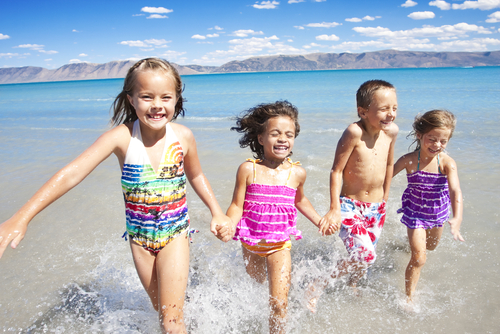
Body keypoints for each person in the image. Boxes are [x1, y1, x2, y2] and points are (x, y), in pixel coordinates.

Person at [0, 58, 232, 334]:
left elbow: (196, 175)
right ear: (131, 99)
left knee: (171, 324)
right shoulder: (121, 138)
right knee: (163, 315)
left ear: (176, 99)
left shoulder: (183, 136)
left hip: (175, 234)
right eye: (146, 96)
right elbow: (72, 173)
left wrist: (217, 212)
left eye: (165, 97)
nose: (157, 104)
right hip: (139, 241)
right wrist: (22, 217)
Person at [226, 101, 335, 334]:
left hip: (279, 245)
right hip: (251, 242)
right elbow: (237, 205)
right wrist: (227, 224)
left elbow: (300, 200)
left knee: (278, 302)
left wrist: (320, 220)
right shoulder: (248, 169)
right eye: (275, 134)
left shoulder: (297, 173)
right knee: (257, 290)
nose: (283, 139)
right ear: (261, 138)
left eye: (289, 134)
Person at [306, 79, 399, 312]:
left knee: (364, 258)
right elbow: (336, 170)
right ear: (363, 111)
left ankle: (352, 285)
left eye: (395, 108)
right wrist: (334, 208)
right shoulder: (354, 132)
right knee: (365, 255)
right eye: (384, 109)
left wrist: (385, 197)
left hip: (376, 207)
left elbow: (389, 165)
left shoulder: (392, 132)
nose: (391, 114)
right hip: (349, 205)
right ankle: (318, 284)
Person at [393, 109, 464, 307]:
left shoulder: (447, 163)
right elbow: (384, 180)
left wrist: (457, 218)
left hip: (438, 214)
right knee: (419, 259)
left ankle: (410, 246)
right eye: (432, 139)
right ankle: (409, 299)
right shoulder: (408, 160)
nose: (437, 145)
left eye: (443, 141)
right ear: (419, 135)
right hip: (415, 214)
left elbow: (456, 191)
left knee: (430, 247)